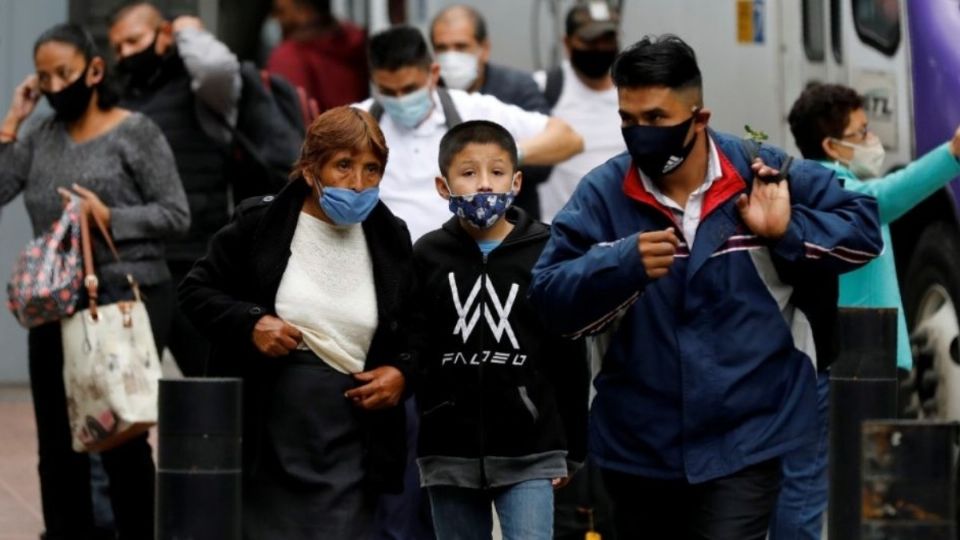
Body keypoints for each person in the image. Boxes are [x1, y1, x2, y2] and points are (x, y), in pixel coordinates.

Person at [527, 35, 884, 539]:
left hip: (747, 436)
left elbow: (864, 228)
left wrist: (787, 233)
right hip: (637, 446)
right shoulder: (604, 194)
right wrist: (621, 264)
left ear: (700, 118)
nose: (639, 133)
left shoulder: (760, 172)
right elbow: (548, 299)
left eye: (655, 118)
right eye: (628, 120)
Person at [178, 106, 413, 539]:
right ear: (310, 170)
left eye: (372, 169)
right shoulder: (260, 222)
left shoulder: (390, 236)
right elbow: (196, 291)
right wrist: (252, 323)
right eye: (343, 165)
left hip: (353, 428)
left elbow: (416, 329)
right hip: (270, 421)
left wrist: (402, 373)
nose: (358, 183)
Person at [0, 23, 189, 539]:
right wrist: (13, 119)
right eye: (45, 77)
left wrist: (111, 217)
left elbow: (176, 214)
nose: (57, 86)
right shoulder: (40, 133)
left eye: (66, 73)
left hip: (127, 297)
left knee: (119, 437)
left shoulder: (136, 131)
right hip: (55, 303)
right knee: (57, 445)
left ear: (94, 70)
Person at [767, 83, 960, 539]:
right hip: (843, 365)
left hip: (851, 364)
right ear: (833, 145)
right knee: (812, 483)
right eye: (862, 131)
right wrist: (951, 153)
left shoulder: (827, 184)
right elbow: (886, 198)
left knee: (835, 484)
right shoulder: (831, 189)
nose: (872, 140)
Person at [412, 120, 589, 540]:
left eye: (496, 172)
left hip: (531, 448)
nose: (484, 185)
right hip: (448, 451)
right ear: (443, 185)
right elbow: (415, 347)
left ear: (517, 180)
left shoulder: (547, 251)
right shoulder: (426, 255)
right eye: (468, 173)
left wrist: (573, 449)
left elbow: (569, 356)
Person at [108, 2, 240, 377]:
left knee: (211, 385)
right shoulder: (120, 97)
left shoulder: (201, 89)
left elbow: (216, 67)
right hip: (137, 265)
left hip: (198, 262)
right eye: (118, 47)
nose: (126, 54)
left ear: (164, 35)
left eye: (134, 40)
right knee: (125, 395)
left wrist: (188, 31)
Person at [355, 25, 583, 242]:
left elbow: (568, 138)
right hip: (389, 267)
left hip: (462, 264)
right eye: (387, 92)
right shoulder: (357, 122)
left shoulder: (474, 111)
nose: (400, 99)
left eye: (410, 89)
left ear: (434, 73)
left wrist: (505, 157)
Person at [430, 5, 552, 218]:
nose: (451, 56)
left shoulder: (516, 88)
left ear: (484, 49)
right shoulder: (428, 96)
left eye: (461, 46)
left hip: (512, 229)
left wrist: (503, 158)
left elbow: (547, 159)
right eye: (442, 48)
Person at [534, 2, 625, 223]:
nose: (599, 48)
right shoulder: (544, 88)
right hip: (560, 233)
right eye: (590, 41)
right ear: (567, 42)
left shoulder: (632, 91)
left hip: (622, 233)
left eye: (607, 40)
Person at [267, 0, 369, 111]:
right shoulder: (356, 46)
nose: (275, 19)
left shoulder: (288, 57)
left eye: (281, 12)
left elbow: (289, 120)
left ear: (304, 11)